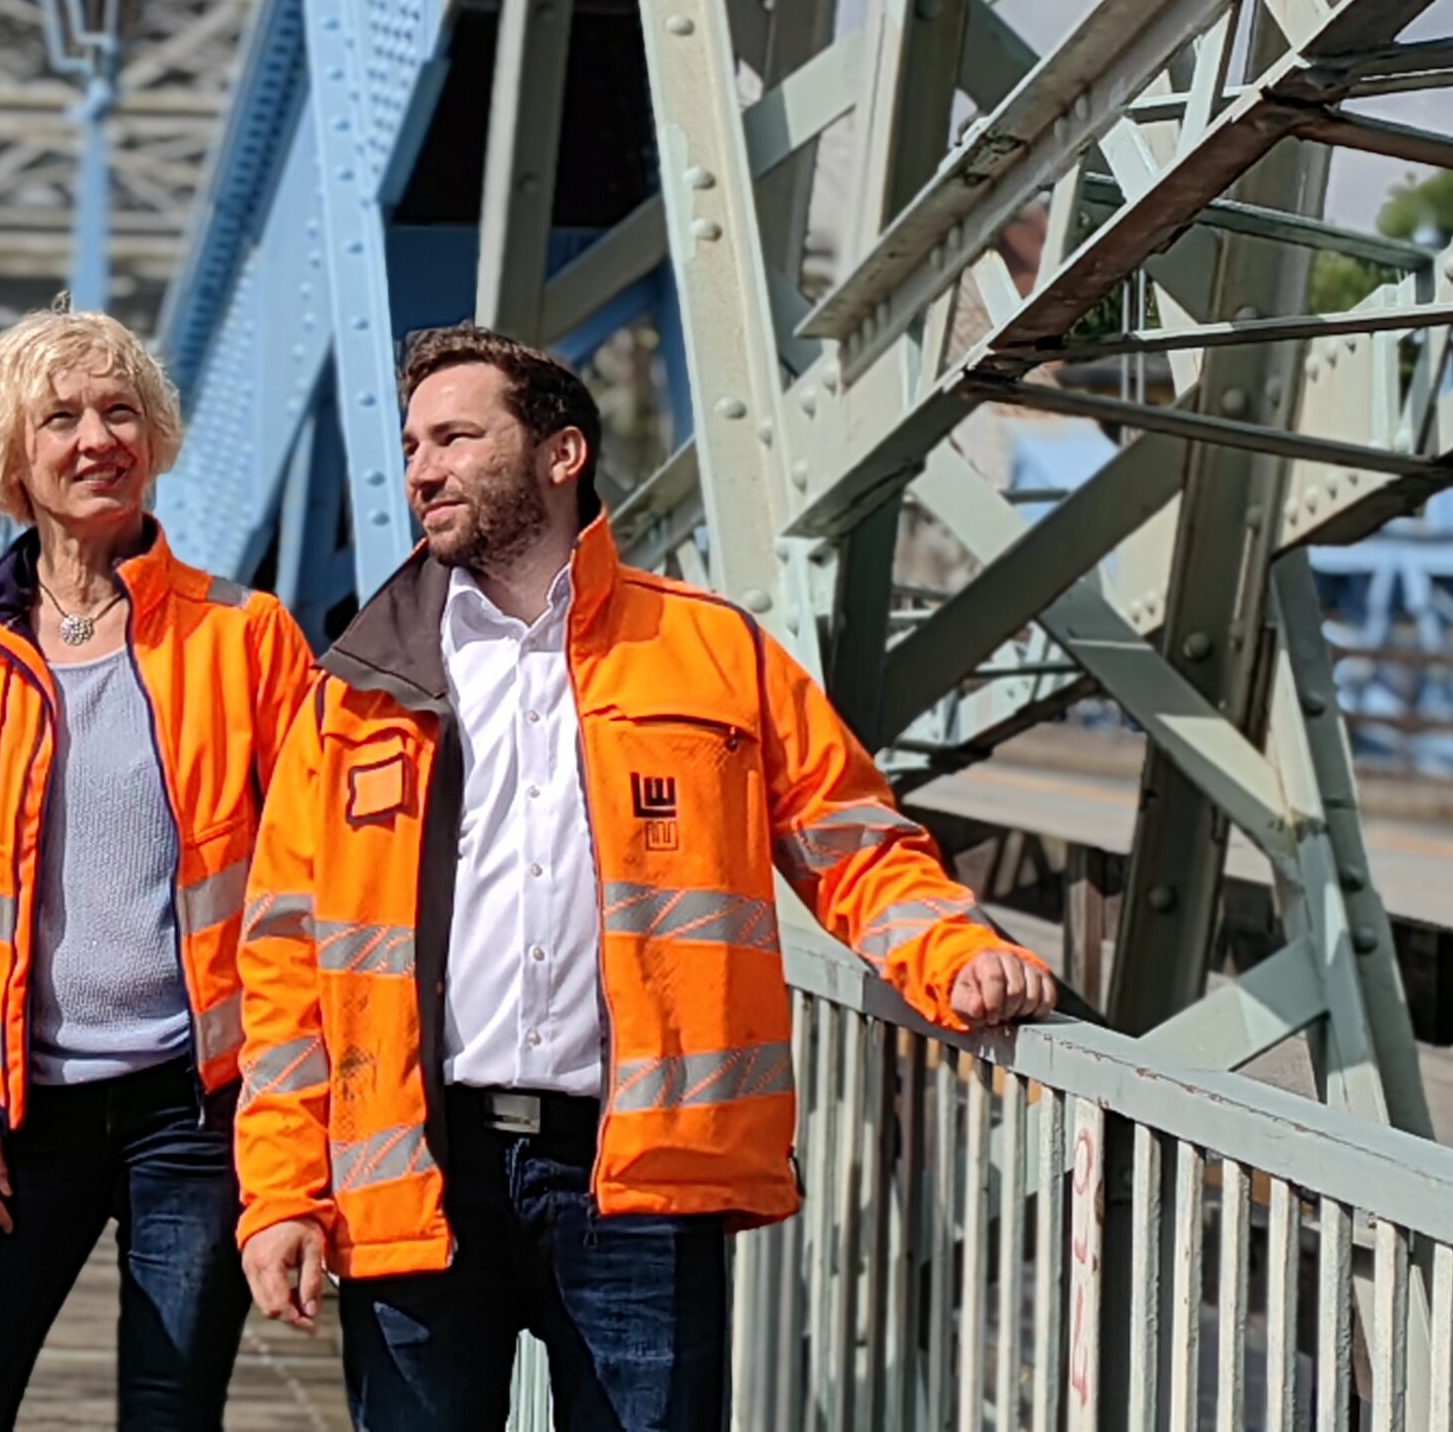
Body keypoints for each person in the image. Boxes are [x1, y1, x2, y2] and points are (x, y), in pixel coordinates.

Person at [233, 324, 1053, 1432]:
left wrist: (954, 953)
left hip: (638, 1177)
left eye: (456, 437)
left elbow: (853, 843)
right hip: (418, 1169)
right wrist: (280, 1192)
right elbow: (285, 961)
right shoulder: (360, 686)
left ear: (559, 455)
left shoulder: (713, 652)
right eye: (413, 443)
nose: (421, 467)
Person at [0, 307, 316, 1430]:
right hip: (10, 1115)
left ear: (152, 437)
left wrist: (289, 1118)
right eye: (59, 418)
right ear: (12, 459)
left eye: (119, 412)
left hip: (193, 1111)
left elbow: (315, 893)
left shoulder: (248, 641)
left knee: (171, 1415)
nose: (95, 438)